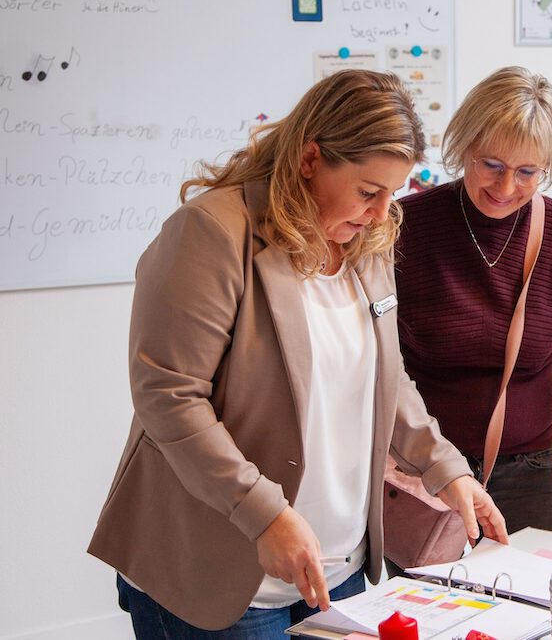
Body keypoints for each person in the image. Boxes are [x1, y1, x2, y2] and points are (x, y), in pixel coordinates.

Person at [87, 69, 507, 638]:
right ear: (311, 159)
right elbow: (170, 398)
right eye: (367, 191)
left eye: (393, 193)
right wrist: (265, 515)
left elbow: (385, 376)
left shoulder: (366, 241)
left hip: (336, 570)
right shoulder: (211, 233)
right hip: (222, 576)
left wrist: (444, 468)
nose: (382, 213)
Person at [394, 66, 552, 536]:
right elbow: (384, 354)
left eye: (527, 172)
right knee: (431, 606)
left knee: (532, 605)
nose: (506, 189)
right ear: (464, 146)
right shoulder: (406, 228)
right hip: (427, 466)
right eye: (492, 165)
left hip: (529, 465)